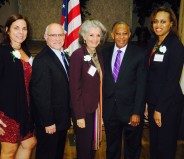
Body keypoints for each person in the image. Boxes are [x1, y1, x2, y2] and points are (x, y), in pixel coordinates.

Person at [0, 14, 36, 159]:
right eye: (16, 28)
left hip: (25, 109)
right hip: (7, 111)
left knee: (29, 143)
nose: (21, 32)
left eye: (24, 29)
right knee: (9, 152)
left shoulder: (25, 51)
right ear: (7, 30)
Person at [102, 21, 147, 159]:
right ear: (112, 35)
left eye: (125, 33)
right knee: (111, 148)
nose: (121, 37)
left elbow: (142, 85)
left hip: (130, 112)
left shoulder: (139, 54)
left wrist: (137, 112)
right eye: (118, 33)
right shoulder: (104, 52)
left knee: (132, 149)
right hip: (110, 111)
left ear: (129, 34)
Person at [147, 6, 184, 159]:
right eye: (156, 21)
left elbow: (171, 81)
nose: (158, 25)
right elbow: (150, 76)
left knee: (165, 146)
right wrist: (147, 102)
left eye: (163, 22)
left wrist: (159, 109)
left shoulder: (175, 46)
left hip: (168, 105)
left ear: (171, 24)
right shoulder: (152, 43)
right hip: (154, 102)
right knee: (154, 144)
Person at [30, 23, 71, 159]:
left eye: (60, 34)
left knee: (57, 154)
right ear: (45, 37)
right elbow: (41, 95)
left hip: (61, 119)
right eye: (53, 35)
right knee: (47, 155)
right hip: (50, 122)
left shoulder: (62, 55)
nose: (57, 38)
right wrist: (48, 121)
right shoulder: (43, 60)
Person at [69, 20, 107, 159]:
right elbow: (74, 88)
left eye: (98, 35)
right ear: (84, 37)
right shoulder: (78, 56)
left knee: (91, 146)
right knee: (84, 148)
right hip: (83, 110)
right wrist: (79, 115)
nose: (95, 39)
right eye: (91, 35)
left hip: (95, 108)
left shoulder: (99, 55)